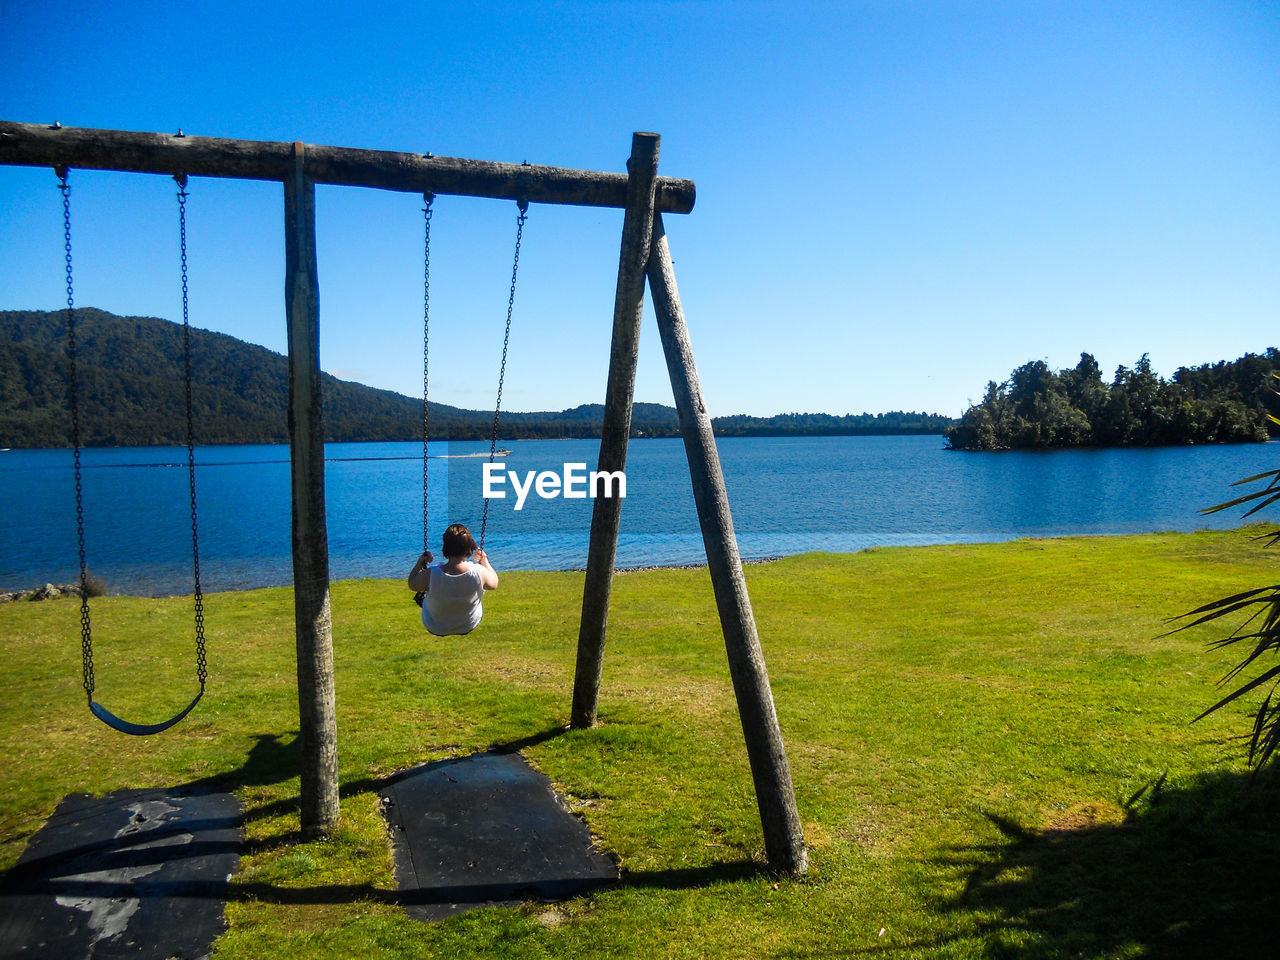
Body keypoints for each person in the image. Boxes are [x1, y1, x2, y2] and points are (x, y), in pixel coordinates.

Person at [407, 522, 499, 636]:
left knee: (425, 593)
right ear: (470, 547)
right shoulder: (479, 572)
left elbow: (412, 584)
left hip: (435, 626)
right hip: (468, 624)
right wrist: (484, 561)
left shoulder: (432, 574)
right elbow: (494, 583)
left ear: (445, 548)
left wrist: (420, 562)